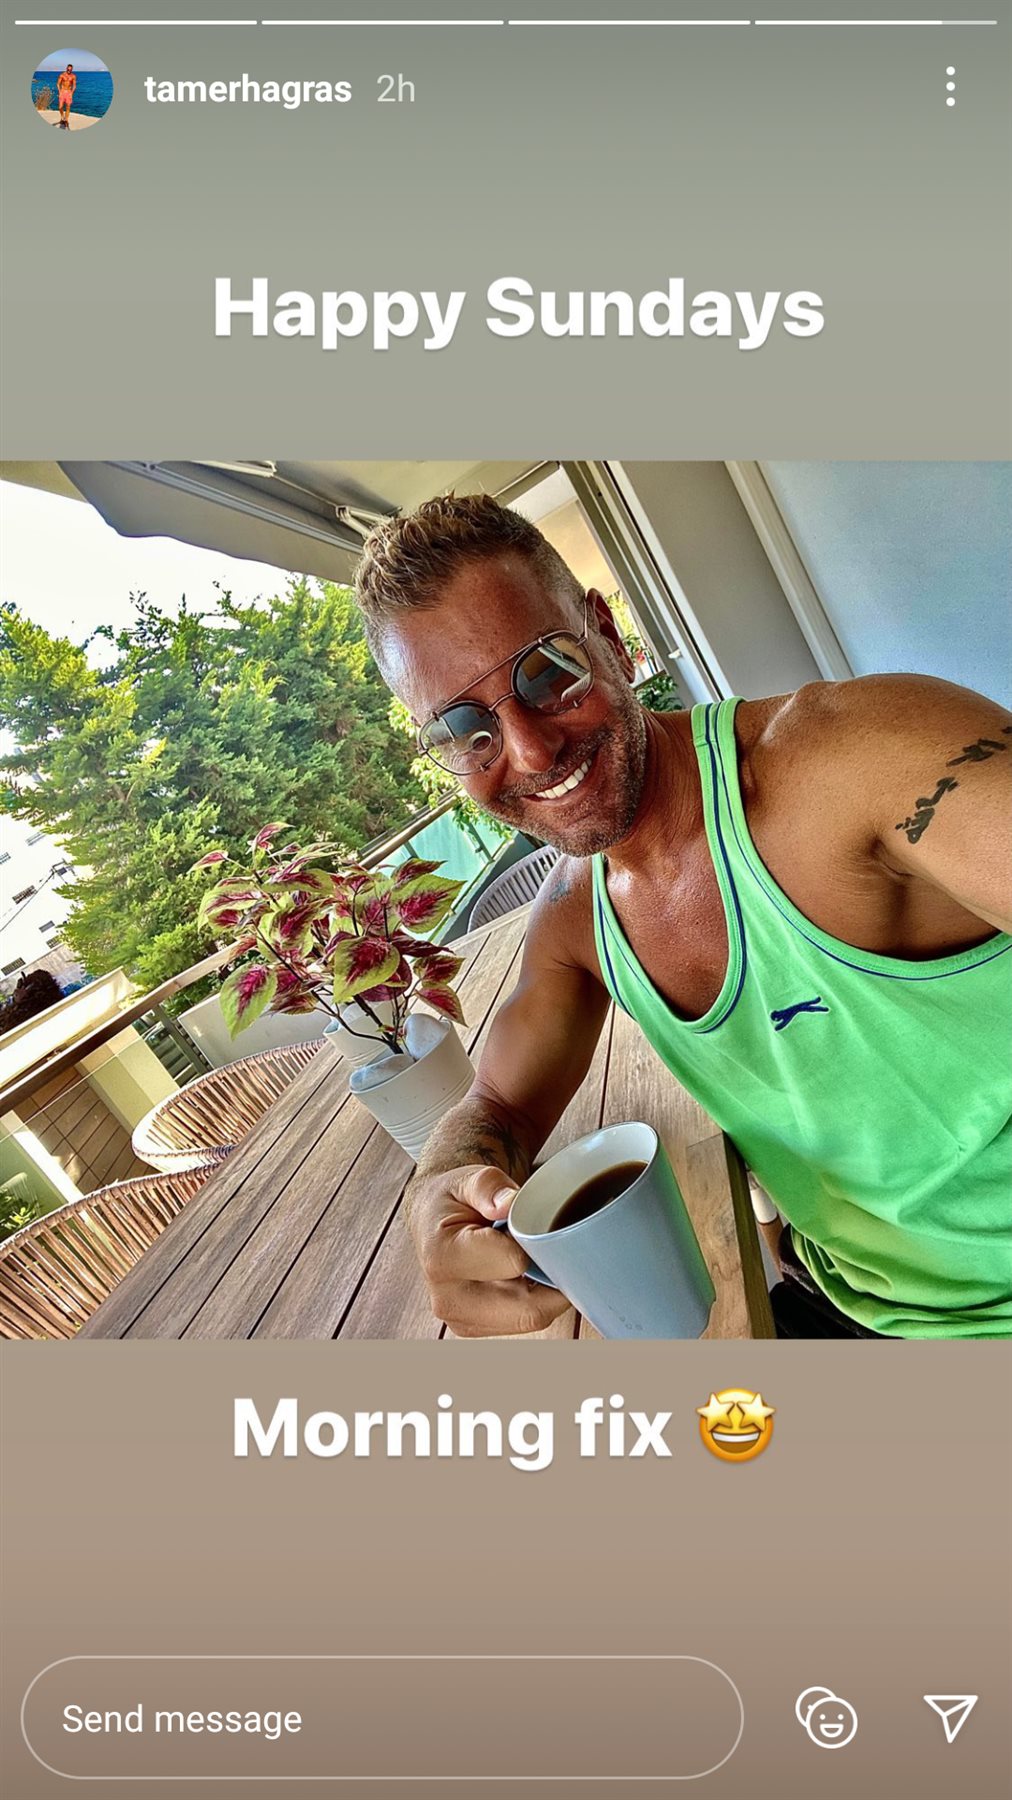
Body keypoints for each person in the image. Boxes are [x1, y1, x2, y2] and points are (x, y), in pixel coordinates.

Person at [353, 494, 1012, 1340]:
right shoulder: (576, 920)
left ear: (607, 634)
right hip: (854, 1303)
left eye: (548, 672)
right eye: (465, 730)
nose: (531, 751)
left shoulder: (853, 758)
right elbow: (499, 1111)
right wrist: (439, 1190)